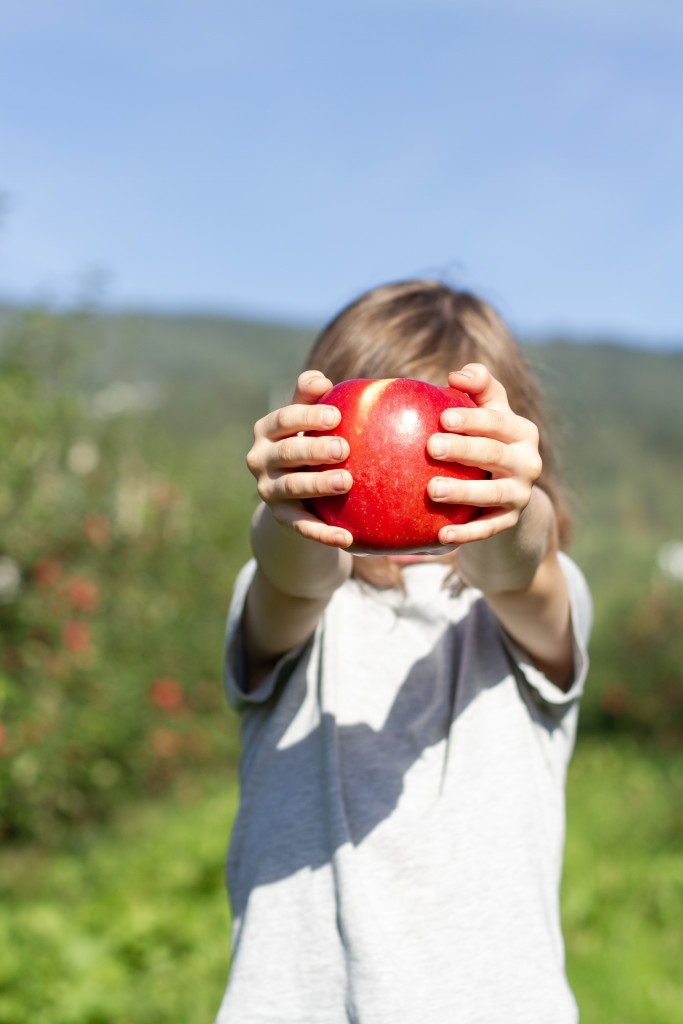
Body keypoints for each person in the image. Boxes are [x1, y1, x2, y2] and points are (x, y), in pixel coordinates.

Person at [214, 280, 592, 1024]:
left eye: (460, 441)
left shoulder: (535, 600)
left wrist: (511, 511)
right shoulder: (303, 599)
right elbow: (292, 578)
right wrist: (288, 513)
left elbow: (519, 565)